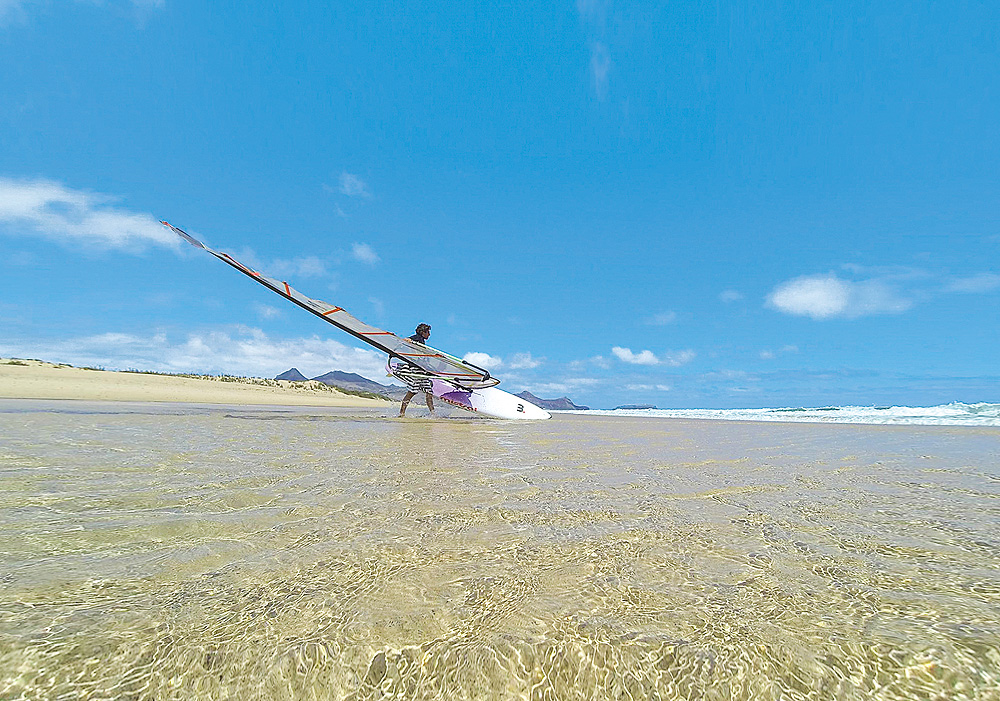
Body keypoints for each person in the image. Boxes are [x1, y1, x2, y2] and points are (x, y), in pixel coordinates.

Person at [398, 323, 435, 417]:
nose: (429, 335)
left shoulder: (421, 341)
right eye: (428, 332)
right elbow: (406, 339)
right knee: (412, 392)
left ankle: (433, 414)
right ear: (422, 332)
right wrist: (409, 341)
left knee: (429, 392)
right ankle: (401, 413)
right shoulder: (418, 338)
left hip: (422, 370)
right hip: (415, 369)